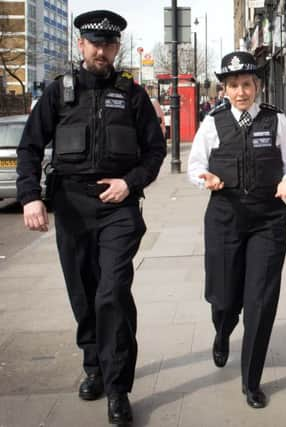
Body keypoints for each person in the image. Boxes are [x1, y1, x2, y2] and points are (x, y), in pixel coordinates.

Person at [16, 10, 166, 426]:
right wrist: (30, 197)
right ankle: (93, 365)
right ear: (80, 45)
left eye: (109, 44)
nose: (101, 51)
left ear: (117, 47)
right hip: (72, 209)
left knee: (112, 292)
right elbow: (29, 147)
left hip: (118, 207)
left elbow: (156, 152)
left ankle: (118, 389)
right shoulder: (58, 92)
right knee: (83, 294)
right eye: (94, 43)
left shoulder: (132, 94)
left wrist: (129, 182)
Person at [187, 51, 286, 409]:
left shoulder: (275, 120)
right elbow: (195, 165)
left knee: (260, 301)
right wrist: (203, 178)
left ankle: (251, 380)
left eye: (247, 85)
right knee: (224, 298)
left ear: (258, 86)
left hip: (268, 220)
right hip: (225, 218)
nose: (241, 92)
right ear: (224, 89)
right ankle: (222, 331)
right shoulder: (213, 122)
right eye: (233, 85)